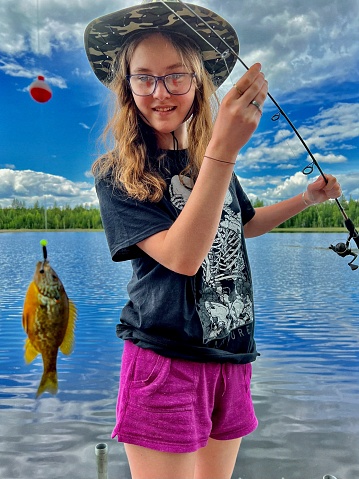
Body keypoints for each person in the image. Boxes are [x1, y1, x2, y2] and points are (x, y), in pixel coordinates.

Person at [84, 2, 342, 478]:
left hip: (233, 356)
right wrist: (223, 152)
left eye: (175, 75)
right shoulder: (117, 174)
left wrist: (306, 200)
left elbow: (240, 224)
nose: (160, 92)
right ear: (127, 88)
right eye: (144, 77)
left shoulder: (210, 164)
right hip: (166, 362)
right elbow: (183, 257)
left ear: (199, 84)